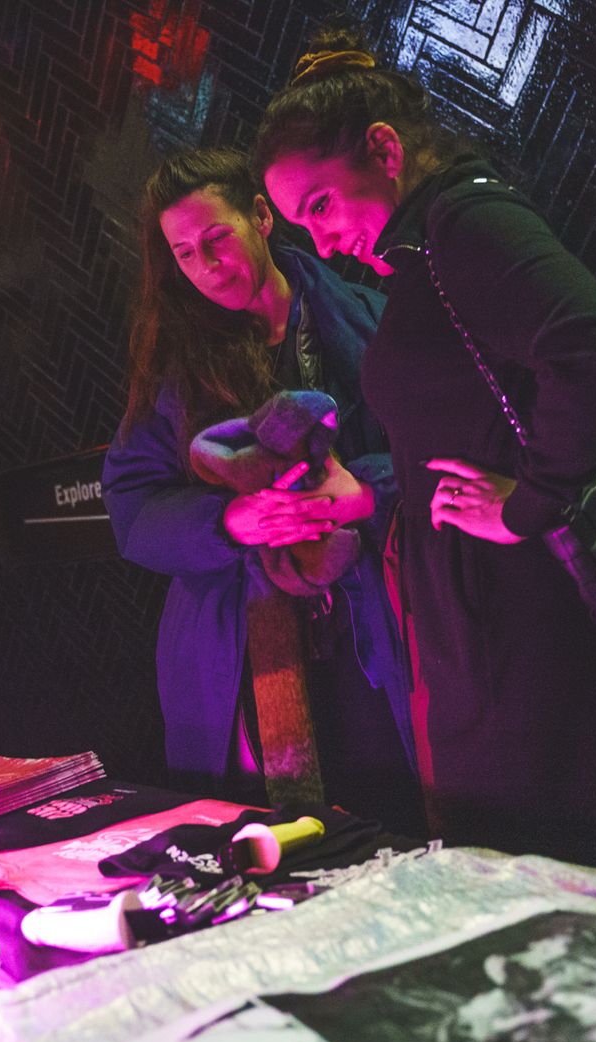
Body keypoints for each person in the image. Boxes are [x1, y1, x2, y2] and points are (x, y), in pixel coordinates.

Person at [253, 30, 596, 865]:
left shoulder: (466, 219)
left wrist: (533, 502)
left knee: (529, 859)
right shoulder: (428, 242)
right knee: (509, 854)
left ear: (383, 150)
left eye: (320, 206)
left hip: (521, 613)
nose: (320, 243)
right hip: (488, 612)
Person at [102, 147, 420, 832]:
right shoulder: (173, 366)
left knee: (398, 817)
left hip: (375, 621)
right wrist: (229, 522)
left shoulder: (365, 317)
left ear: (261, 216)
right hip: (240, 641)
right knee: (273, 840)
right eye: (184, 254)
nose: (206, 265)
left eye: (216, 238)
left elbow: (437, 449)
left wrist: (361, 489)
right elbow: (133, 508)